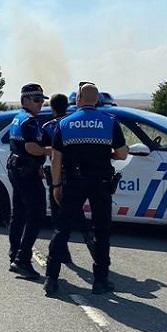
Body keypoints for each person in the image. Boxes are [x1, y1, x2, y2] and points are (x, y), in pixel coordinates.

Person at [45, 82, 128, 295]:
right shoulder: (110, 123)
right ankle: (100, 280)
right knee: (102, 232)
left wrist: (56, 185)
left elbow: (56, 159)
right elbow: (122, 154)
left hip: (73, 182)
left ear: (78, 100)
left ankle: (51, 279)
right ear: (98, 100)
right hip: (100, 183)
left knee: (62, 229)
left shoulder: (64, 124)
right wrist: (105, 153)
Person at [6, 83, 50, 279]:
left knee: (19, 213)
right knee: (37, 213)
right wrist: (48, 151)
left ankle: (15, 252)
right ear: (25, 100)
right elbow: (32, 147)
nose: (41, 103)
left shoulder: (18, 117)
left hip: (18, 169)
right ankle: (22, 259)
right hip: (26, 171)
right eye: (37, 99)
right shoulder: (30, 121)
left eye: (42, 99)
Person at [42, 93, 69, 227]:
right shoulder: (72, 124)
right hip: (73, 171)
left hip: (54, 172)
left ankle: (59, 235)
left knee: (56, 210)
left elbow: (43, 150)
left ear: (52, 108)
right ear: (67, 106)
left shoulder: (47, 127)